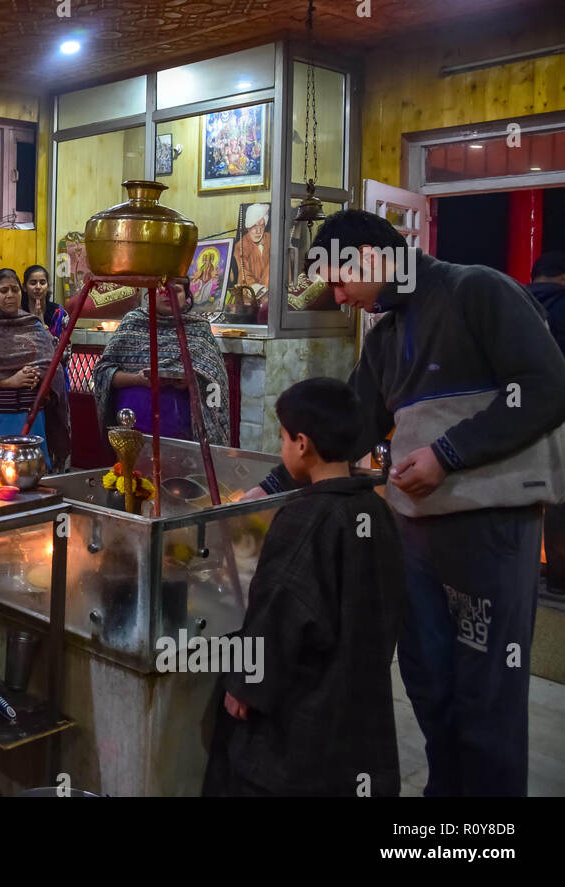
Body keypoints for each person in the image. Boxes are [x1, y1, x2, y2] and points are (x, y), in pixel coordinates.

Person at [247, 210, 565, 797]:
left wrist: (447, 452)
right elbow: (349, 424)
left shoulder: (477, 291)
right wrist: (269, 489)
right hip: (415, 537)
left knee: (485, 695)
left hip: (488, 533)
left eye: (341, 280)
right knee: (428, 683)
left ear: (370, 256)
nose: (339, 297)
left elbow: (548, 387)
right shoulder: (388, 336)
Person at [203, 378, 404, 796]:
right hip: (358, 700)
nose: (282, 449)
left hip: (301, 727)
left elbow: (281, 611)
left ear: (302, 444)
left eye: (282, 439)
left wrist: (244, 686)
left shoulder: (304, 518)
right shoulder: (376, 510)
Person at [92, 281, 230, 445]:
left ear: (186, 296)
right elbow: (103, 372)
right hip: (132, 428)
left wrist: (190, 382)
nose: (168, 294)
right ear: (150, 294)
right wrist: (137, 379)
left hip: (182, 433)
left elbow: (215, 380)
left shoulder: (199, 330)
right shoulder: (132, 323)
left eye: (176, 290)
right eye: (162, 289)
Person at [0, 268, 65, 469]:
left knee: (30, 480)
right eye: (3, 290)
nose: (10, 295)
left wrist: (38, 376)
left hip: (28, 417)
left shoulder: (31, 324)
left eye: (15, 289)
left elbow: (52, 366)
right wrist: (6, 382)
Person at [529, 250, 565, 596]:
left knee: (530, 490)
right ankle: (559, 576)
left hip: (518, 415)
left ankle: (536, 571)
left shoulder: (512, 303)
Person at [23, 264, 72, 471]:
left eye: (42, 282)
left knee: (57, 427)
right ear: (25, 287)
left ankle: (59, 469)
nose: (37, 287)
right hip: (27, 381)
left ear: (48, 286)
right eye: (33, 283)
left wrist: (44, 331)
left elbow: (66, 352)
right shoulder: (18, 313)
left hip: (56, 380)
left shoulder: (59, 313)